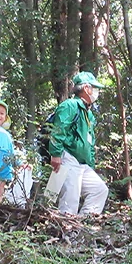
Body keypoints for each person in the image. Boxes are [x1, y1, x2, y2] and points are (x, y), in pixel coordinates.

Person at [48, 71, 109, 215]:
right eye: (95, 88)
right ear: (87, 88)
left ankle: (83, 225)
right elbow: (58, 130)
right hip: (67, 157)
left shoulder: (89, 114)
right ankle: (66, 231)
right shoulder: (70, 105)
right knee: (70, 199)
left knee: (99, 190)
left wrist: (91, 164)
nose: (96, 92)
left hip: (83, 164)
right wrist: (56, 155)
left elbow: (90, 142)